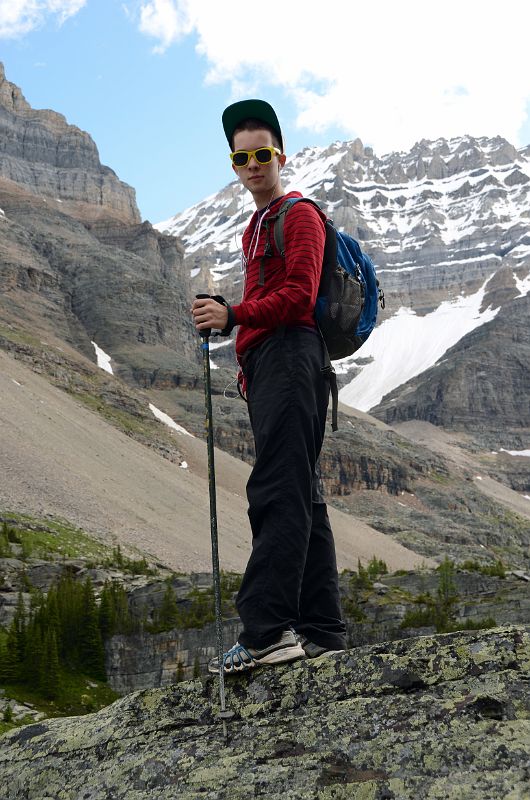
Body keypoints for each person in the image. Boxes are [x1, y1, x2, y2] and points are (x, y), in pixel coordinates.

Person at [192, 99, 346, 674]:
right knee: (302, 491)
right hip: (274, 365)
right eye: (242, 158)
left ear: (281, 156)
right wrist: (240, 332)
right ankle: (321, 630)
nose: (253, 166)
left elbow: (300, 296)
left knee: (277, 489)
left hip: (291, 358)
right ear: (233, 164)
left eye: (261, 155)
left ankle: (266, 633)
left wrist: (233, 316)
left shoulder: (297, 215)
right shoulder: (256, 226)